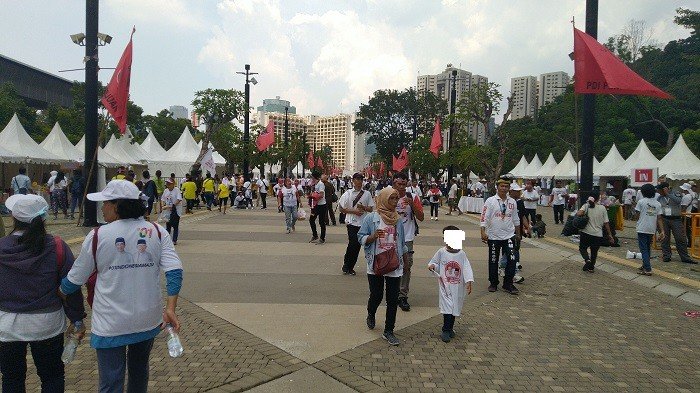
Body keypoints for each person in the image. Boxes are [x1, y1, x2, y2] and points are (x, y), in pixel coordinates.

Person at [60, 180, 183, 392]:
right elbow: (175, 272)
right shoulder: (157, 231)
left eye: (105, 202)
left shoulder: (98, 235)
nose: (102, 207)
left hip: (111, 323)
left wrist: (59, 291)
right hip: (147, 320)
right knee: (139, 372)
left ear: (116, 205)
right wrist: (170, 308)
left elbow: (75, 279)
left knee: (111, 381)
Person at [0, 194, 86, 392]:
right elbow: (70, 288)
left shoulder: (2, 247)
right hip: (47, 324)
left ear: (13, 218)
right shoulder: (57, 246)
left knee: (12, 378)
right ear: (43, 219)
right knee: (52, 376)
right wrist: (77, 320)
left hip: (7, 325)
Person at [358, 187, 408, 346]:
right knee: (377, 295)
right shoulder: (371, 218)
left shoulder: (398, 219)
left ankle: (389, 330)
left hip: (394, 263)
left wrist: (405, 261)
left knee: (393, 299)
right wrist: (372, 237)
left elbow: (402, 242)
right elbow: (360, 237)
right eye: (391, 199)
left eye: (396, 199)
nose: (394, 202)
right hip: (376, 263)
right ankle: (371, 313)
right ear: (383, 199)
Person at [428, 225, 473, 343]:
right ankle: (445, 329)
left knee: (454, 307)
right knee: (447, 307)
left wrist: (468, 281)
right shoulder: (441, 252)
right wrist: (433, 266)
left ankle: (450, 327)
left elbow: (467, 268)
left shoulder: (461, 254)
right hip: (445, 286)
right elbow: (435, 263)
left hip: (457, 286)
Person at [480, 178, 521, 294]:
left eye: (506, 187)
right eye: (501, 186)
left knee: (512, 259)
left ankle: (508, 284)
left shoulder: (512, 202)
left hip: (509, 236)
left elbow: (516, 219)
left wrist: (518, 234)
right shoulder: (490, 201)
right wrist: (483, 231)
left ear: (509, 189)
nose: (504, 188)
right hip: (493, 236)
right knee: (493, 260)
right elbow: (484, 217)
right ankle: (493, 283)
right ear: (497, 187)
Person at [393, 172, 424, 312]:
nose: (401, 187)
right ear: (393, 183)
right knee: (391, 265)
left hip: (407, 237)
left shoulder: (413, 197)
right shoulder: (387, 195)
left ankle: (402, 295)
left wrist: (412, 205)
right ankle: (392, 293)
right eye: (398, 184)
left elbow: (421, 217)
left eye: (403, 184)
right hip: (390, 237)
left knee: (406, 266)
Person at [339, 173, 375, 275]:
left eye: (360, 179)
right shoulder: (348, 193)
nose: (359, 181)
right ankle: (347, 266)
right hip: (351, 223)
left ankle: (349, 266)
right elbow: (342, 208)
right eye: (357, 179)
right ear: (353, 181)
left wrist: (363, 208)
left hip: (363, 224)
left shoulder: (367, 194)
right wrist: (354, 211)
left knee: (357, 246)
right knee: (353, 244)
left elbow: (371, 208)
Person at [656, 182, 696, 264]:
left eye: (660, 190)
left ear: (665, 189)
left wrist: (668, 194)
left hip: (676, 219)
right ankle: (666, 255)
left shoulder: (676, 193)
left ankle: (685, 257)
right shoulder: (660, 197)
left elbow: (678, 201)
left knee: (680, 238)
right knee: (665, 239)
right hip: (664, 219)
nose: (658, 191)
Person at [577, 193, 615, 272]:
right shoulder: (603, 208)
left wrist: (585, 210)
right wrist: (610, 235)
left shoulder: (586, 205)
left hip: (586, 233)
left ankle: (587, 260)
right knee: (594, 252)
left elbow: (579, 213)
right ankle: (591, 268)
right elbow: (606, 223)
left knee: (582, 248)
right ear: (598, 198)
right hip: (598, 235)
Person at [635, 184, 665, 276]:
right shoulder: (657, 203)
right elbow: (659, 218)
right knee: (648, 248)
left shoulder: (641, 202)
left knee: (643, 249)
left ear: (643, 192)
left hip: (642, 228)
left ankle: (647, 269)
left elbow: (637, 215)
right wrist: (662, 231)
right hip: (652, 228)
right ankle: (645, 265)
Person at [161, 178, 183, 245]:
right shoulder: (166, 190)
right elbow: (163, 199)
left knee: (175, 225)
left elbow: (179, 199)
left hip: (175, 211)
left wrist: (172, 206)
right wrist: (163, 205)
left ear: (173, 184)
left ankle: (174, 240)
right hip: (168, 211)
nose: (168, 185)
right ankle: (167, 240)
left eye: (169, 183)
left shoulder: (177, 190)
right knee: (168, 225)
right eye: (167, 183)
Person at [309, 172, 327, 244]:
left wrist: (314, 196)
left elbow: (321, 195)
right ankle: (315, 235)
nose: (311, 179)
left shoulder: (321, 184)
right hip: (315, 206)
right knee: (311, 220)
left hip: (322, 205)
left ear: (315, 177)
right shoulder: (314, 184)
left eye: (312, 177)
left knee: (321, 222)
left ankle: (322, 238)